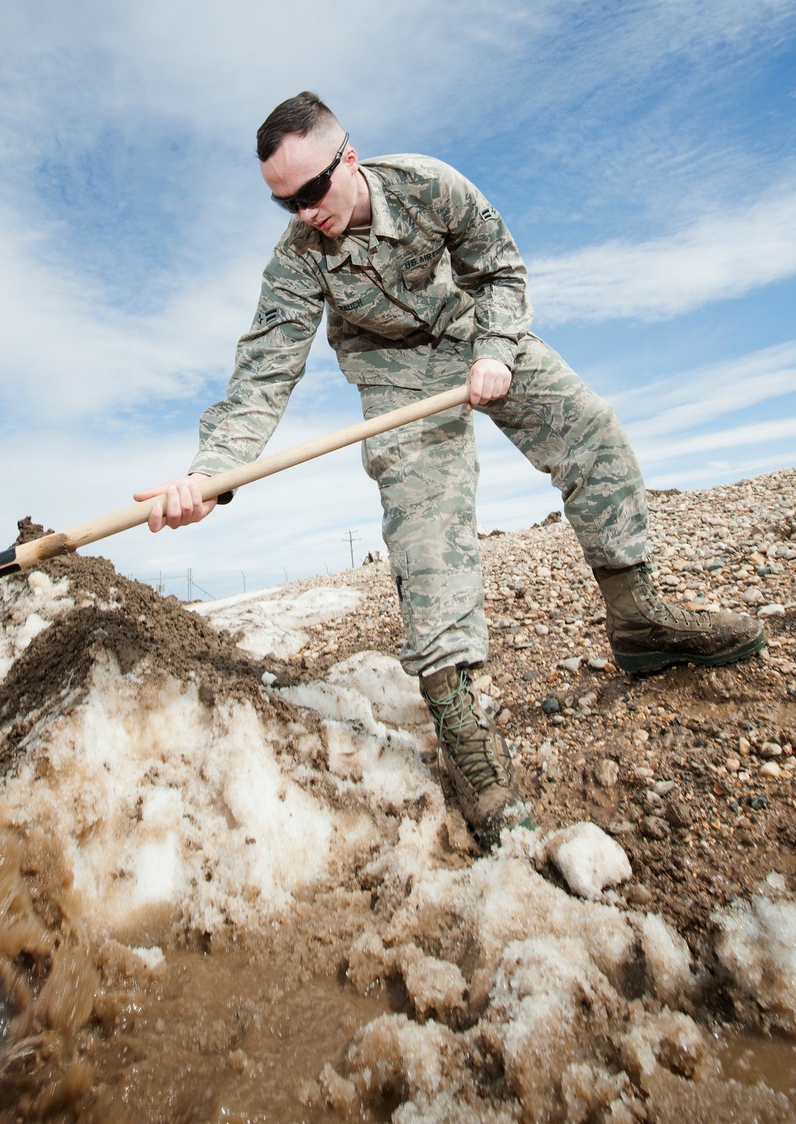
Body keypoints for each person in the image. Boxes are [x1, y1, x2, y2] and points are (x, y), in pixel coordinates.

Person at [135, 92, 766, 849]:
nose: (304, 213)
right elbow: (261, 380)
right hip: (397, 378)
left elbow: (499, 268)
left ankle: (640, 618)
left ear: (350, 157)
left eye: (311, 190)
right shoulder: (298, 263)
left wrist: (496, 350)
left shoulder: (431, 185)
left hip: (479, 334)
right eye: (283, 203)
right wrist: (211, 476)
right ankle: (463, 724)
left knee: (593, 434)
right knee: (428, 533)